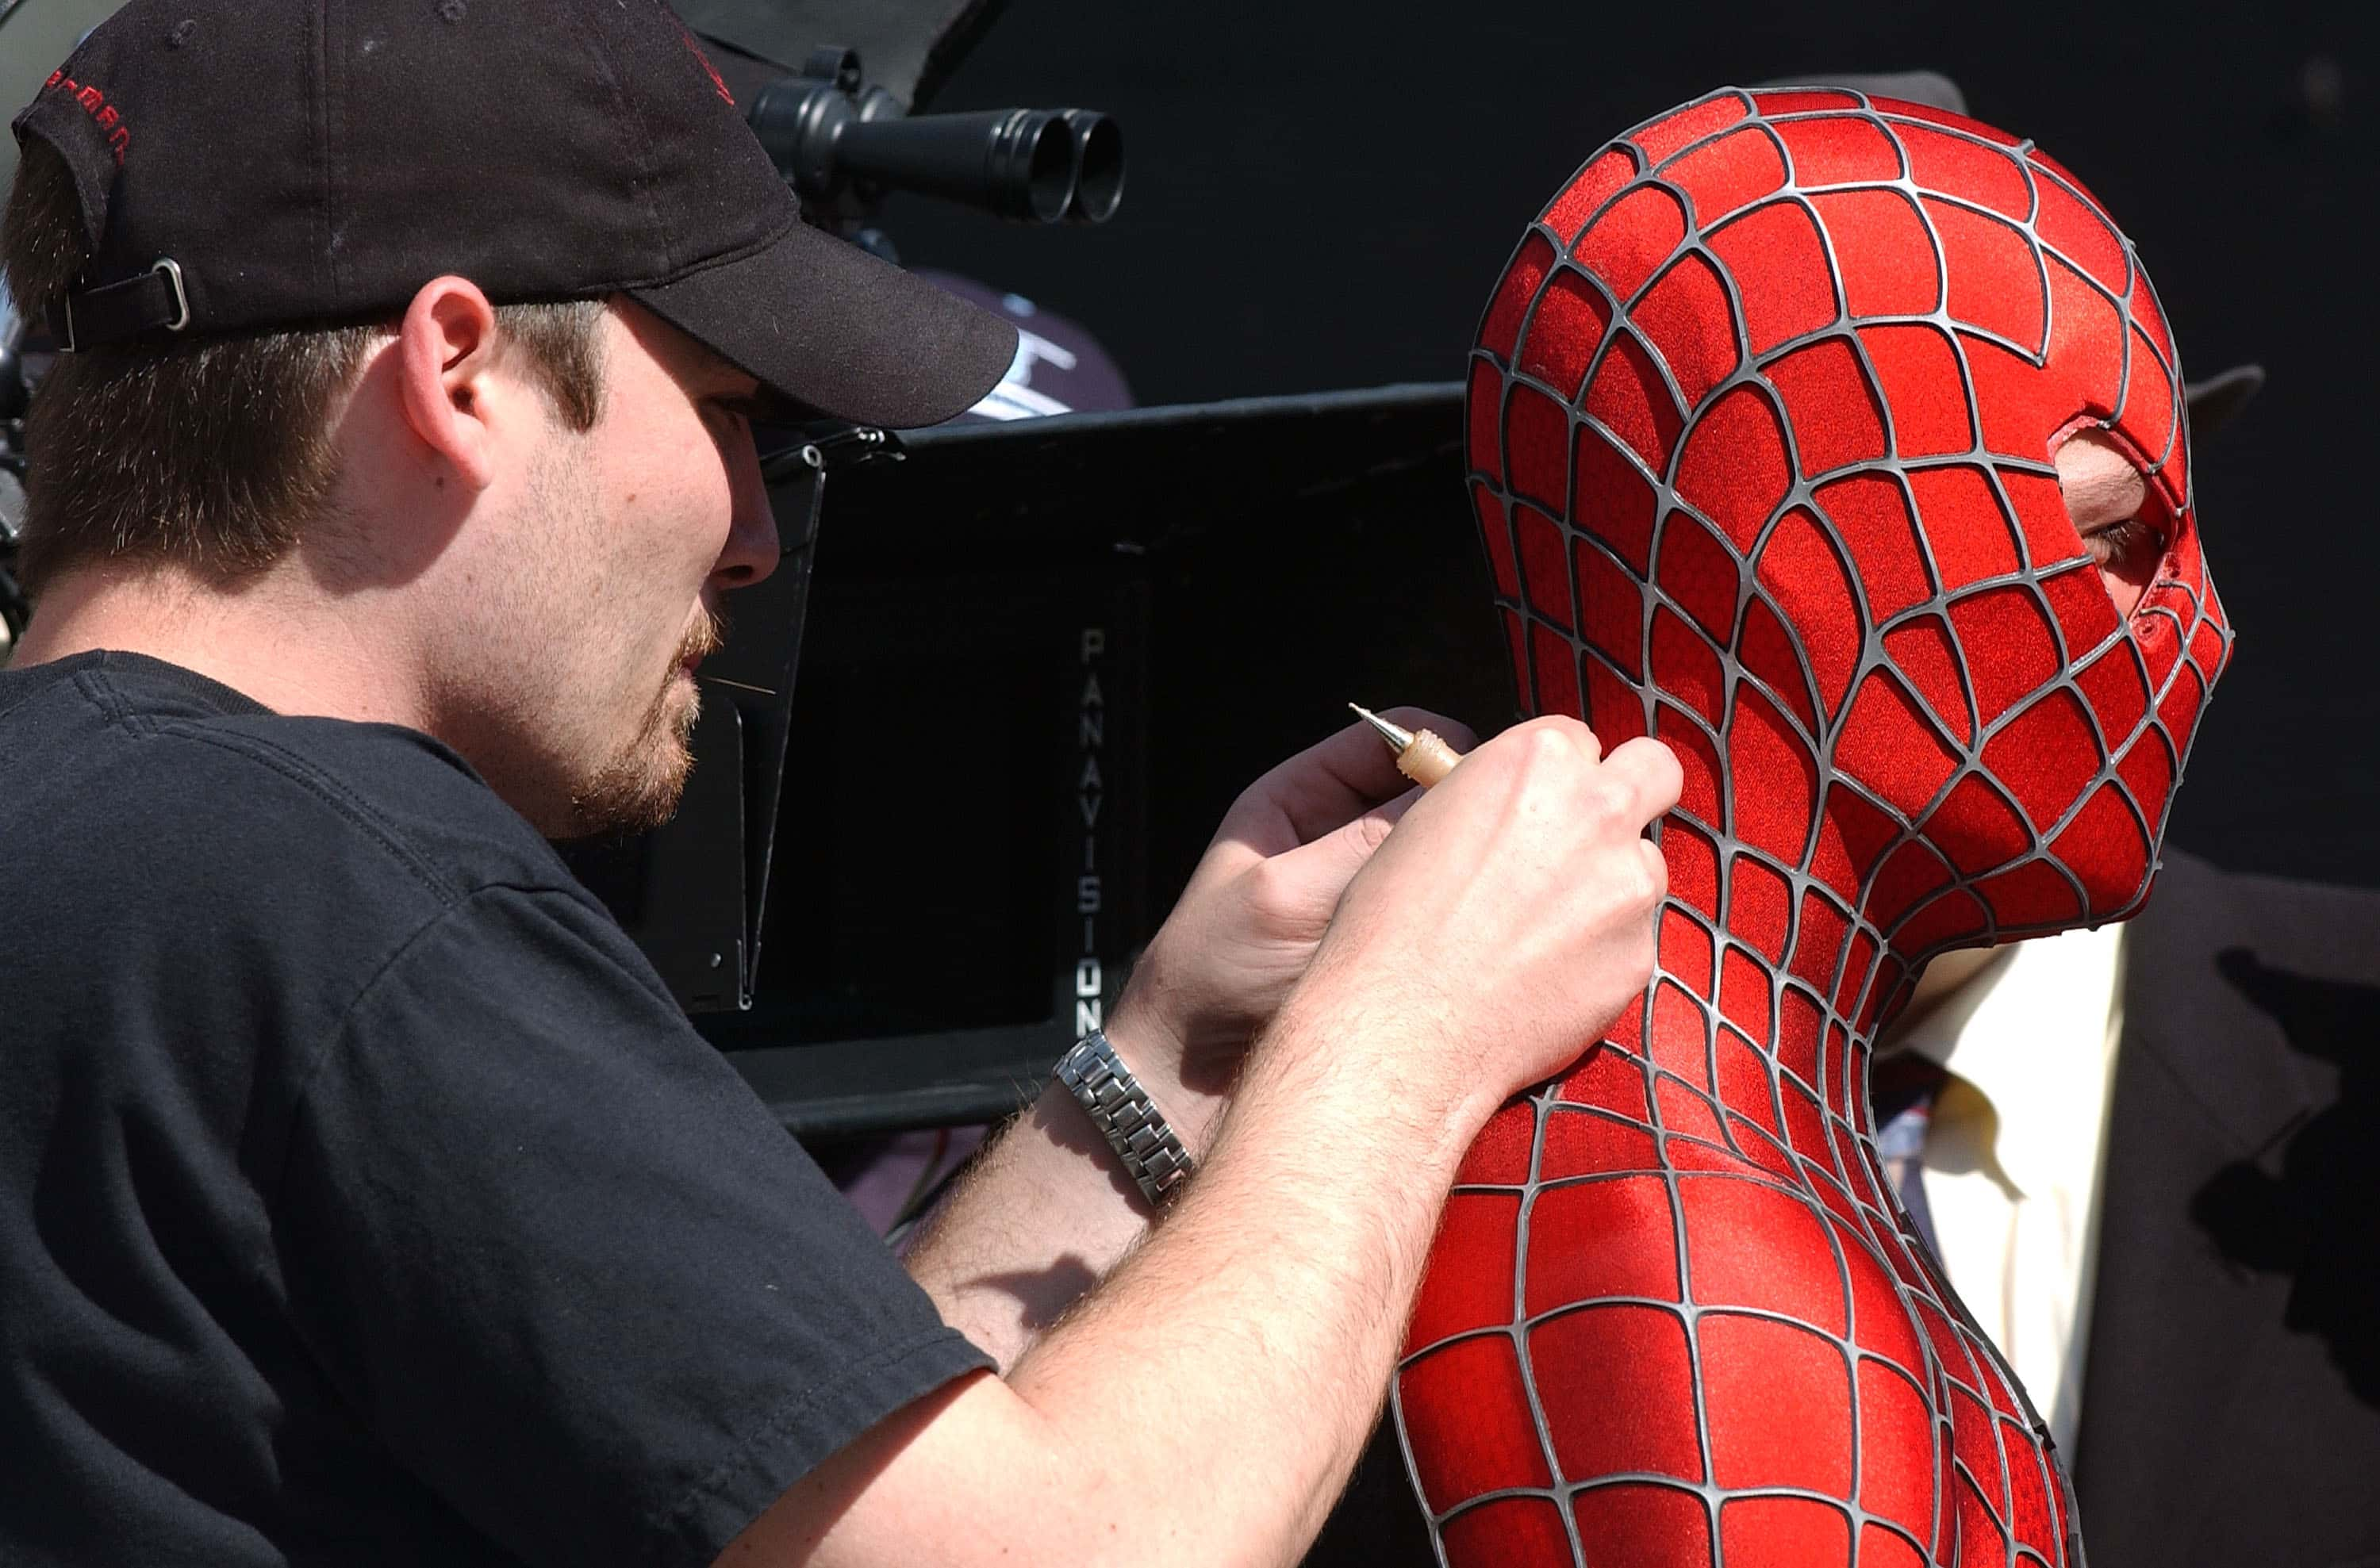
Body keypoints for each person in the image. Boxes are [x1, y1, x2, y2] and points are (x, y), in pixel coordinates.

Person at [0, 2, 1687, 1564]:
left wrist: (1172, 1059)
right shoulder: (350, 900)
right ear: (459, 370)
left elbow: (803, 1476)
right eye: (729, 411)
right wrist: (1411, 1026)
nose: (752, 532)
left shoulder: (123, 861)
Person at [1392, 84, 2229, 1567]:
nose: (2198, 630)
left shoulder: (1750, 1178)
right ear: (1820, 558)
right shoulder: (1687, 1285)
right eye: (2111, 544)